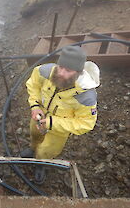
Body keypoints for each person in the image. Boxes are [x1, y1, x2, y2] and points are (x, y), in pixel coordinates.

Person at [25, 46, 100, 184]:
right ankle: (32, 149)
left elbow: (85, 123)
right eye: (60, 67)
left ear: (78, 72)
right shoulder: (45, 71)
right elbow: (33, 85)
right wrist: (35, 106)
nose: (61, 73)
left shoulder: (85, 96)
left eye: (68, 70)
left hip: (59, 129)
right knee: (34, 135)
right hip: (39, 116)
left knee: (47, 149)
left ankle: (41, 163)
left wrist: (52, 123)